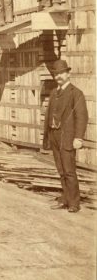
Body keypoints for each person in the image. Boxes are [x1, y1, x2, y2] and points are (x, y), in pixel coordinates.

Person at [43, 60, 88, 213]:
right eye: (56, 74)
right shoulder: (54, 93)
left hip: (68, 137)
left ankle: (74, 203)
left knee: (69, 171)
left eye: (62, 73)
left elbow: (82, 117)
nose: (59, 76)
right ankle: (65, 199)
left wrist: (79, 137)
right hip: (55, 135)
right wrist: (48, 135)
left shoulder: (76, 93)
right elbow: (49, 114)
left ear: (68, 74)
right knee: (61, 170)